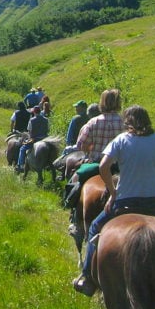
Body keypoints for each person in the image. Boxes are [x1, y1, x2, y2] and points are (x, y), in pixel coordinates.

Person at [73, 105, 155, 300]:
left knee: (94, 229)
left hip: (125, 202)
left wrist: (113, 191)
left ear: (128, 122)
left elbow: (103, 166)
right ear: (148, 120)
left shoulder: (122, 140)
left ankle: (87, 277)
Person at [64, 89, 125, 233]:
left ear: (102, 103)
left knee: (76, 180)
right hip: (120, 166)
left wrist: (89, 149)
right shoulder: (125, 122)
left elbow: (81, 144)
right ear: (118, 103)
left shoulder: (93, 122)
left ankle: (75, 217)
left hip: (97, 163)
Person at [15, 106, 49, 172]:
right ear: (40, 111)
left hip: (35, 139)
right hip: (45, 139)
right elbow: (48, 129)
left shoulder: (32, 120)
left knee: (22, 149)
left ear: (34, 112)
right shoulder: (46, 119)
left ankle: (21, 165)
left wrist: (29, 138)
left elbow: (29, 131)